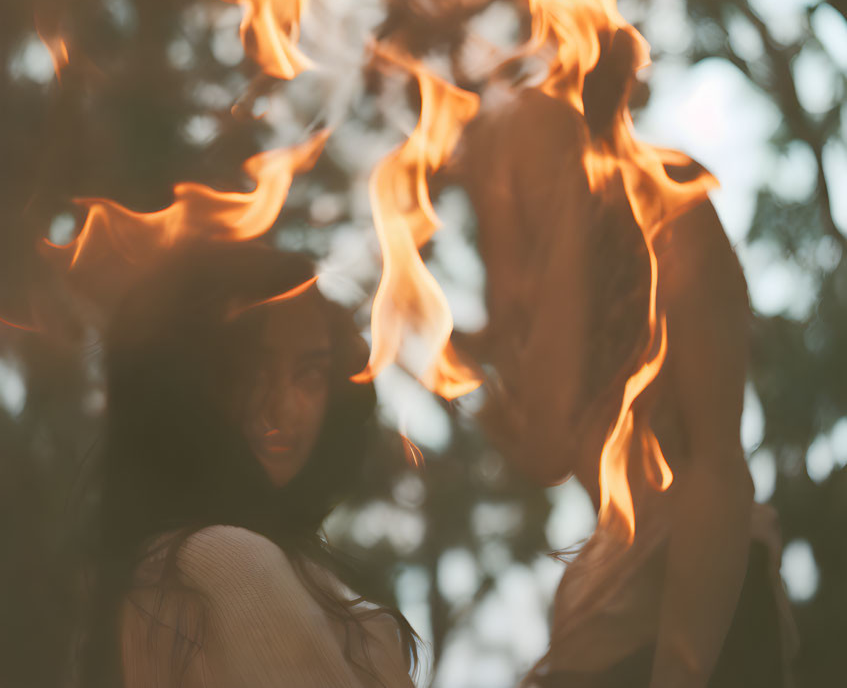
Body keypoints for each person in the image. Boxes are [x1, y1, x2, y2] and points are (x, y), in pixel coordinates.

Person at [455, 64, 797, 688]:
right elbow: (547, 448)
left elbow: (715, 461)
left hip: (699, 586)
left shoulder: (673, 207)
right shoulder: (541, 296)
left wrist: (681, 667)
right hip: (603, 602)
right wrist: (563, 231)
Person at [76, 239, 418, 688]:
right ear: (189, 381)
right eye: (251, 371)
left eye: (309, 374)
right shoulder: (227, 561)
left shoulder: (176, 562)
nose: (283, 408)